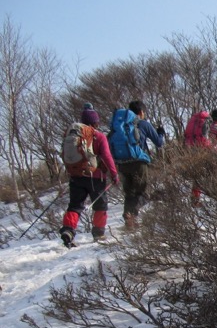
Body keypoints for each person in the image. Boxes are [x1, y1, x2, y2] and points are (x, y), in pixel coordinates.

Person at [59, 105, 119, 247]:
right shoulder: (98, 136)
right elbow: (107, 156)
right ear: (95, 122)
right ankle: (98, 233)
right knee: (100, 205)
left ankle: (68, 230)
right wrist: (114, 174)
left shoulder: (72, 136)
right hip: (95, 176)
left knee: (75, 205)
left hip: (76, 175)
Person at [109, 100, 164, 230]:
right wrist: (161, 132)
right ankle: (131, 215)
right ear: (140, 112)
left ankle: (129, 220)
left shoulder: (118, 126)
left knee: (129, 193)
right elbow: (159, 142)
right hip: (139, 163)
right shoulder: (143, 124)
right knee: (143, 193)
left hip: (122, 163)